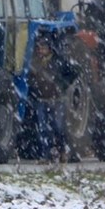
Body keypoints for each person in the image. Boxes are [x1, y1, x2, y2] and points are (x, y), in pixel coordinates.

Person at [28, 32, 69, 162]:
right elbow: (32, 78)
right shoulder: (36, 62)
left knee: (57, 127)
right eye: (39, 47)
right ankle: (45, 154)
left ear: (50, 48)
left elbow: (71, 73)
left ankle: (61, 150)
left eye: (43, 47)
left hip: (56, 100)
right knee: (43, 128)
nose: (41, 50)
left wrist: (62, 86)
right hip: (42, 99)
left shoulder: (58, 61)